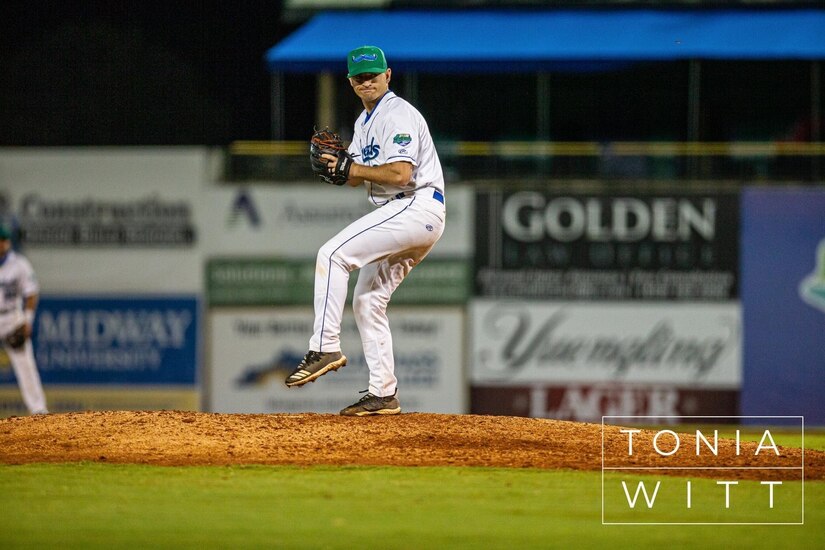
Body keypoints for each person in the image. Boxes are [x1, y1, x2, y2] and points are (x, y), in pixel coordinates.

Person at [285, 45, 446, 416]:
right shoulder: (363, 122)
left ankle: (324, 346)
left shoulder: (397, 113)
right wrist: (339, 167)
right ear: (351, 83)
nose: (367, 80)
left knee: (332, 254)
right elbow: (356, 177)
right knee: (368, 301)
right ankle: (383, 393)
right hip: (408, 213)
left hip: (414, 203)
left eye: (373, 74)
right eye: (360, 76)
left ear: (388, 75)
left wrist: (351, 169)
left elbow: (400, 174)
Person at [0, 224, 48, 415]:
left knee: (25, 366)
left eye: (3, 240)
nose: (1, 244)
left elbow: (31, 292)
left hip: (12, 317)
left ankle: (38, 410)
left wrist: (27, 320)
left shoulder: (19, 264)